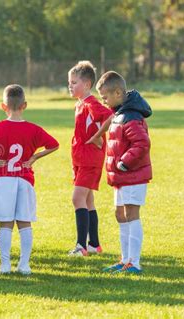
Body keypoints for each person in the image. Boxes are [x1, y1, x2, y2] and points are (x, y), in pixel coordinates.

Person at [0, 84, 59, 275]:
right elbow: (54, 145)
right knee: (24, 222)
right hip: (24, 179)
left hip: (3, 179)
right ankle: (24, 264)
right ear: (24, 105)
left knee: (5, 223)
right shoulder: (34, 129)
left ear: (3, 107)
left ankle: (5, 265)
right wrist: (35, 157)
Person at [95, 71, 152, 274]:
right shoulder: (119, 113)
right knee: (120, 214)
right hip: (121, 177)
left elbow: (142, 143)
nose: (104, 102)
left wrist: (124, 163)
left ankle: (134, 263)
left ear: (118, 92)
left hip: (132, 174)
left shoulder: (131, 116)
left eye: (105, 97)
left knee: (131, 214)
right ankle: (124, 259)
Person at [67, 61, 113, 257]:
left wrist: (97, 137)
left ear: (86, 84)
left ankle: (81, 246)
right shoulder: (80, 104)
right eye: (69, 82)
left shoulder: (91, 103)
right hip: (81, 159)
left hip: (90, 159)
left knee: (77, 198)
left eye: (74, 82)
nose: (70, 85)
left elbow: (110, 116)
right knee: (88, 200)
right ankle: (93, 244)